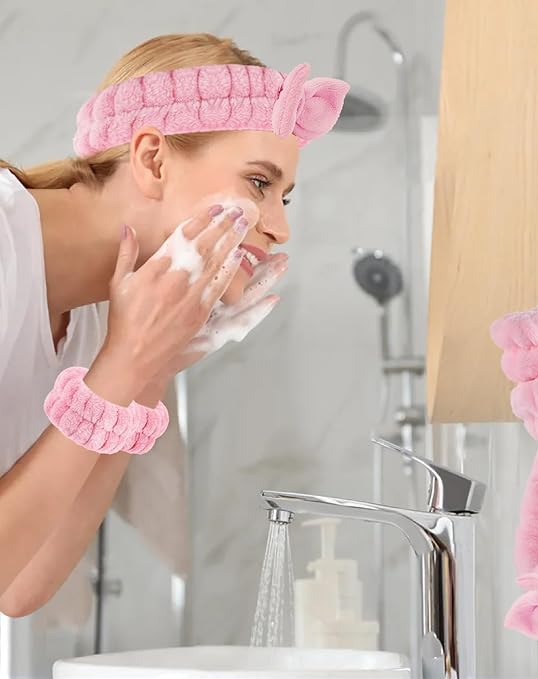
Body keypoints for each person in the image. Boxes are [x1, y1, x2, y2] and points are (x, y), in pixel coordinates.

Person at [0, 32, 348, 617]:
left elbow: (21, 586)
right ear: (153, 160)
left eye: (284, 197)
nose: (279, 228)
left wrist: (147, 369)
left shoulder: (97, 317)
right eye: (258, 183)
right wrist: (121, 366)